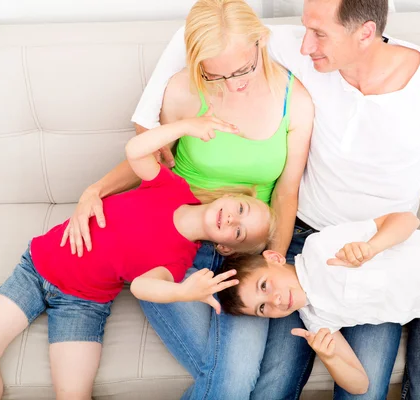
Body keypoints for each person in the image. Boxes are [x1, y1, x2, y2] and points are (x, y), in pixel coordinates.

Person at [113, 0, 420, 397]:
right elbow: (202, 35)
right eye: (306, 29)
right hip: (301, 242)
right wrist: (144, 117)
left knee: (364, 387)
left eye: (318, 34)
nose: (304, 45)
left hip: (379, 247)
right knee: (275, 380)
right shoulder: (297, 50)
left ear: (365, 33)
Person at [63, 0, 315, 398]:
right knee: (232, 378)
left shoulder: (295, 100)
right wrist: (95, 189)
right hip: (172, 241)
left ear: (260, 42)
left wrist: (273, 255)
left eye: (243, 69)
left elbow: (287, 190)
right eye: (217, 74)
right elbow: (152, 162)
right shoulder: (183, 90)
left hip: (247, 246)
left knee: (272, 382)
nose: (233, 84)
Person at [0, 118, 274, 400]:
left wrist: (181, 291)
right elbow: (136, 150)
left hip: (82, 304)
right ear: (228, 195)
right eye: (240, 208)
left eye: (239, 231)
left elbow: (141, 287)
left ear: (225, 248)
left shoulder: (178, 262)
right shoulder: (173, 188)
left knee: (73, 396)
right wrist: (186, 127)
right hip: (36, 267)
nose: (233, 219)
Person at [216, 213, 420, 400]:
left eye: (265, 286)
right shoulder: (316, 318)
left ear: (274, 259)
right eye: (262, 309)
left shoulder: (321, 247)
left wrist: (372, 247)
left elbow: (406, 220)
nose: (275, 301)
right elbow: (360, 385)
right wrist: (332, 356)